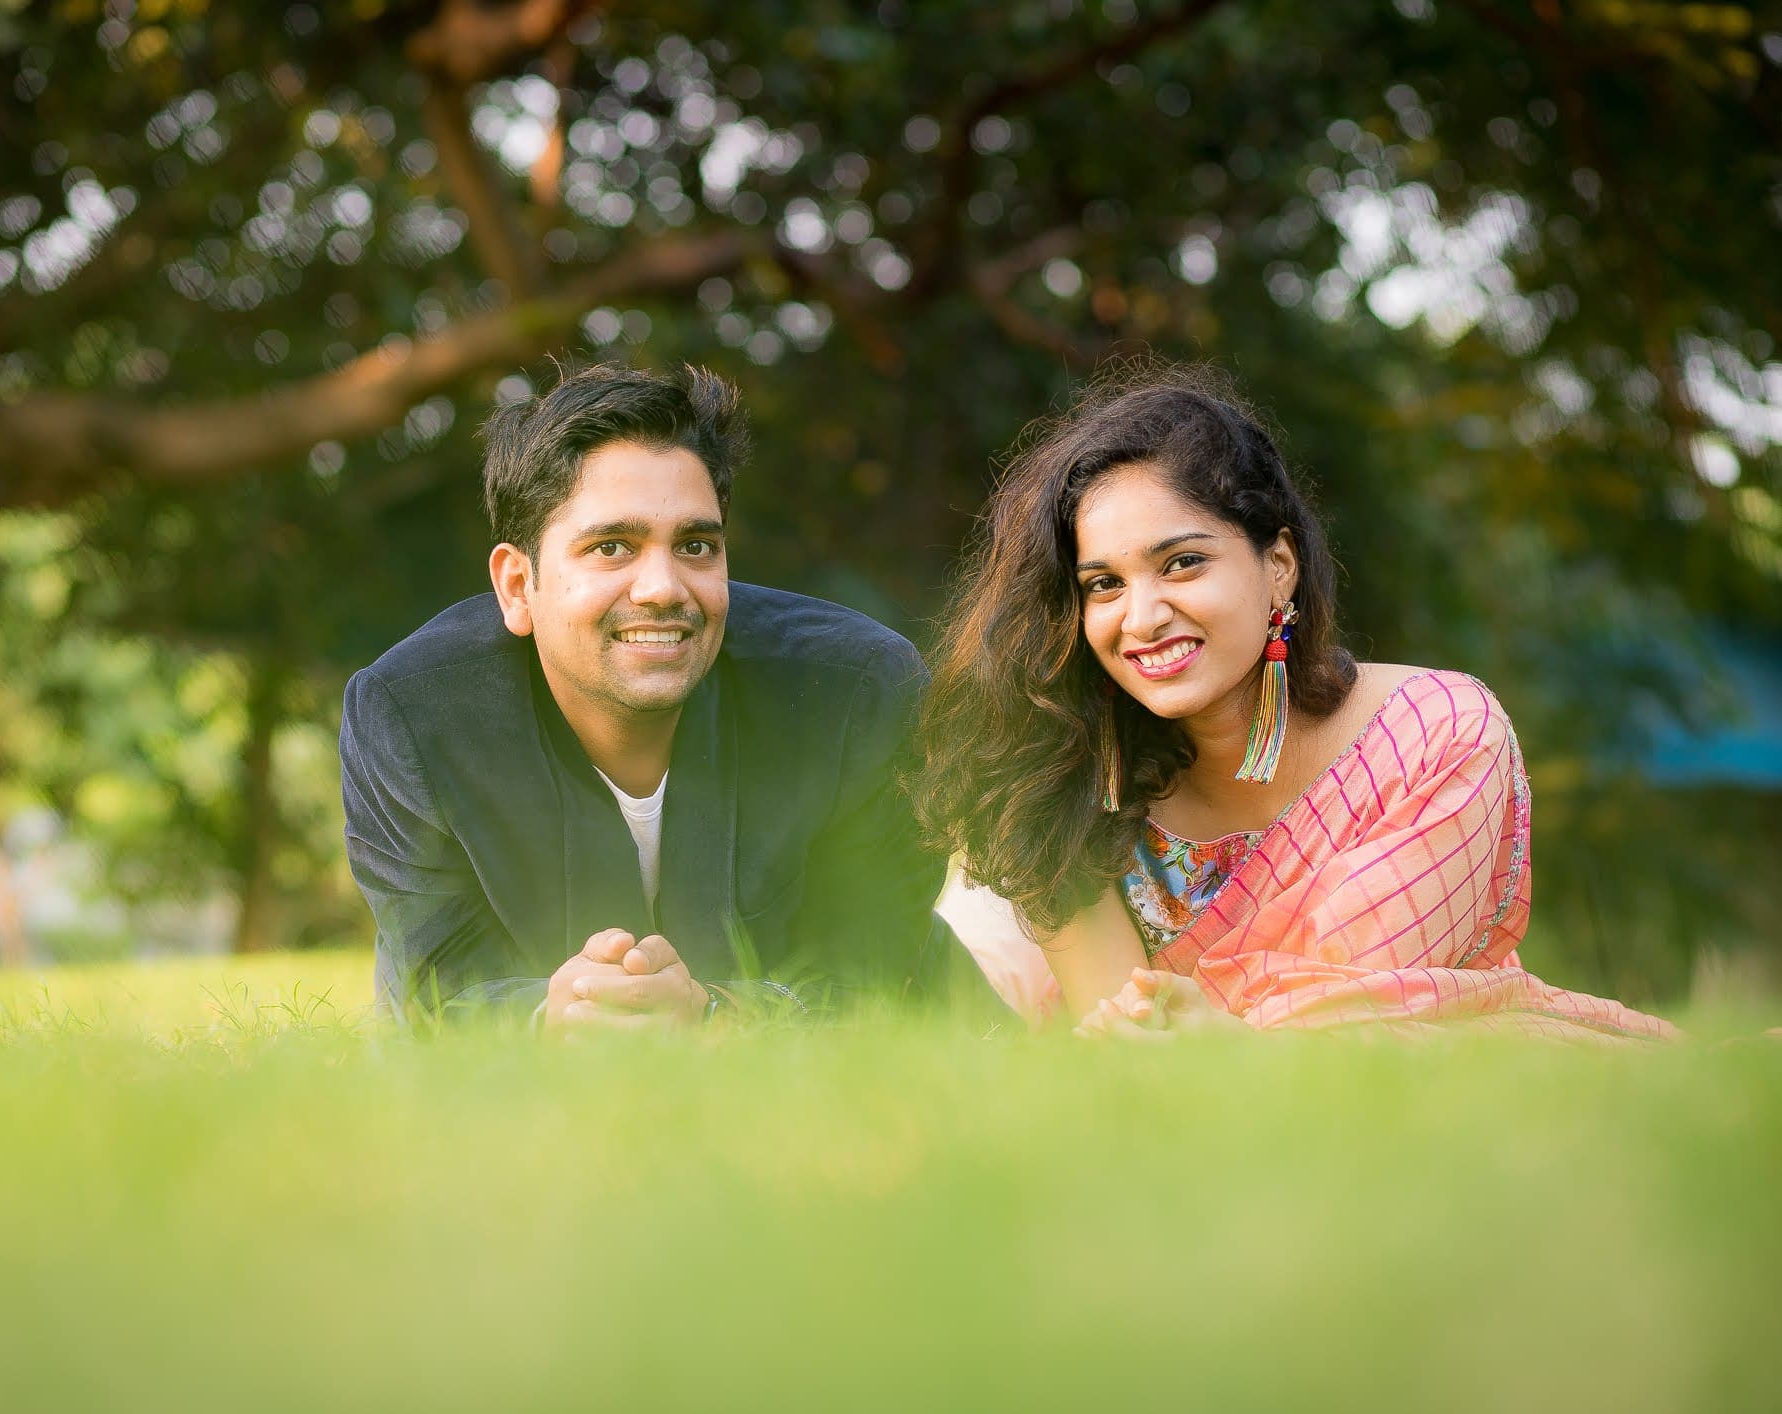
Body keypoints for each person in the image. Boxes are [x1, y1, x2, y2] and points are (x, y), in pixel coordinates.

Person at [915, 367, 1674, 1039]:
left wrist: (1222, 1048)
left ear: (1277, 565)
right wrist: (1162, 1041)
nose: (1140, 618)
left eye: (1181, 563)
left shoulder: (1435, 734)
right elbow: (1127, 1040)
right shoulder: (1060, 776)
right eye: (1102, 585)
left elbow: (1364, 1020)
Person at [341, 361, 953, 1026]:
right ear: (518, 586)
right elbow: (432, 992)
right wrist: (552, 1018)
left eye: (694, 545)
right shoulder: (411, 716)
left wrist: (718, 1016)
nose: (662, 587)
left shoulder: (856, 693)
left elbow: (877, 962)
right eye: (611, 547)